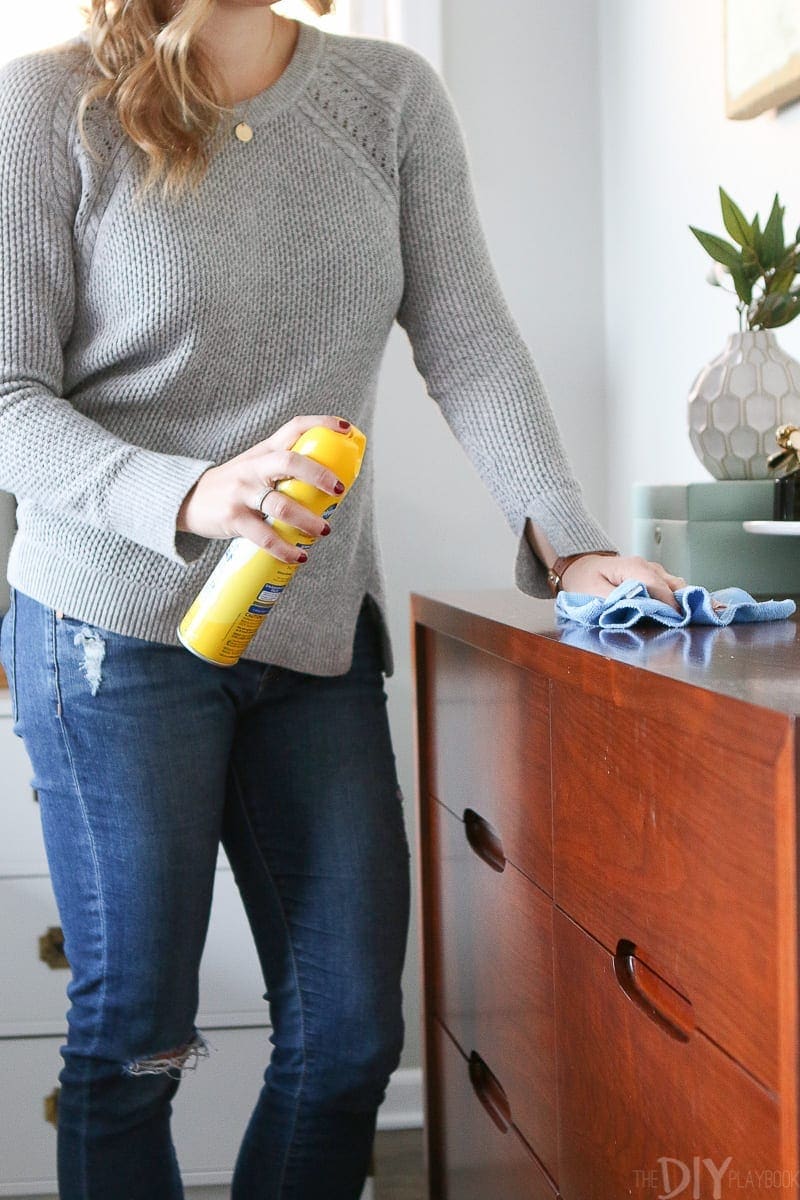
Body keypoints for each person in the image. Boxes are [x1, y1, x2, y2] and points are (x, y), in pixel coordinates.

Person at [0, 1, 686, 1197]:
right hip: (111, 630)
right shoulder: (47, 106)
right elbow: (8, 393)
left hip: (309, 635)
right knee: (136, 1041)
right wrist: (192, 491)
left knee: (350, 1033)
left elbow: (467, 341)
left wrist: (572, 548)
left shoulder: (389, 98)